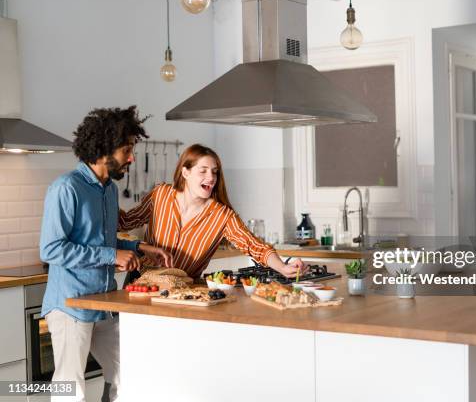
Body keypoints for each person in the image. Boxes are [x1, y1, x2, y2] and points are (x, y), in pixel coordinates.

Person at [40, 106, 171, 402]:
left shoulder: (108, 190)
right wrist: (112, 256)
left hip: (103, 303)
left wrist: (138, 247)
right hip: (70, 305)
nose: (132, 158)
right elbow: (51, 249)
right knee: (70, 390)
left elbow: (101, 241)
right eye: (127, 150)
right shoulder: (66, 188)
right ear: (104, 149)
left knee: (131, 373)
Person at [119, 143, 307, 279]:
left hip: (183, 292)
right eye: (203, 170)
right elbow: (126, 222)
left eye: (215, 171)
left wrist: (282, 267)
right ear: (185, 172)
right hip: (141, 283)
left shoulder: (222, 216)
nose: (211, 177)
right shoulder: (160, 195)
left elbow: (254, 246)